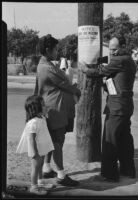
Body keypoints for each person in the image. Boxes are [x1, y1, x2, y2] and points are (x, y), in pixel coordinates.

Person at [81, 36, 136, 182]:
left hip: (117, 108)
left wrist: (86, 69)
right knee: (124, 140)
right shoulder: (129, 59)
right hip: (125, 106)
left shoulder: (119, 60)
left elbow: (100, 72)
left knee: (109, 141)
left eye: (115, 49)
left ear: (124, 46)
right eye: (110, 49)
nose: (111, 52)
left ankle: (110, 175)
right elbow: (117, 81)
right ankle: (128, 170)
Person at [34, 34, 81, 186]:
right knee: (57, 142)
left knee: (51, 140)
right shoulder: (47, 68)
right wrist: (77, 88)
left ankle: (47, 169)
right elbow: (66, 83)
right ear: (48, 50)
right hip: (54, 110)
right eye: (55, 49)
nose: (57, 51)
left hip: (52, 108)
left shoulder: (45, 64)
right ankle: (61, 175)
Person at [16, 95, 55, 195]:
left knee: (41, 165)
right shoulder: (33, 122)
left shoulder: (42, 118)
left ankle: (40, 182)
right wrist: (34, 152)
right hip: (36, 149)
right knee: (35, 167)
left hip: (42, 148)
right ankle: (33, 187)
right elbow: (31, 138)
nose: (45, 106)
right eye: (43, 105)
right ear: (36, 108)